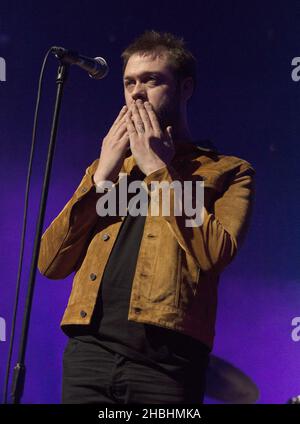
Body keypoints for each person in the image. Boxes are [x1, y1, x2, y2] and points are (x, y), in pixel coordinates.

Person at [37, 30, 255, 404]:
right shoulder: (107, 168)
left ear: (185, 89)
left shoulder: (227, 171)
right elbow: (51, 263)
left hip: (167, 364)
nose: (137, 92)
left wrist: (158, 168)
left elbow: (215, 253)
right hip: (89, 356)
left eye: (152, 80)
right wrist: (101, 177)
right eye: (129, 82)